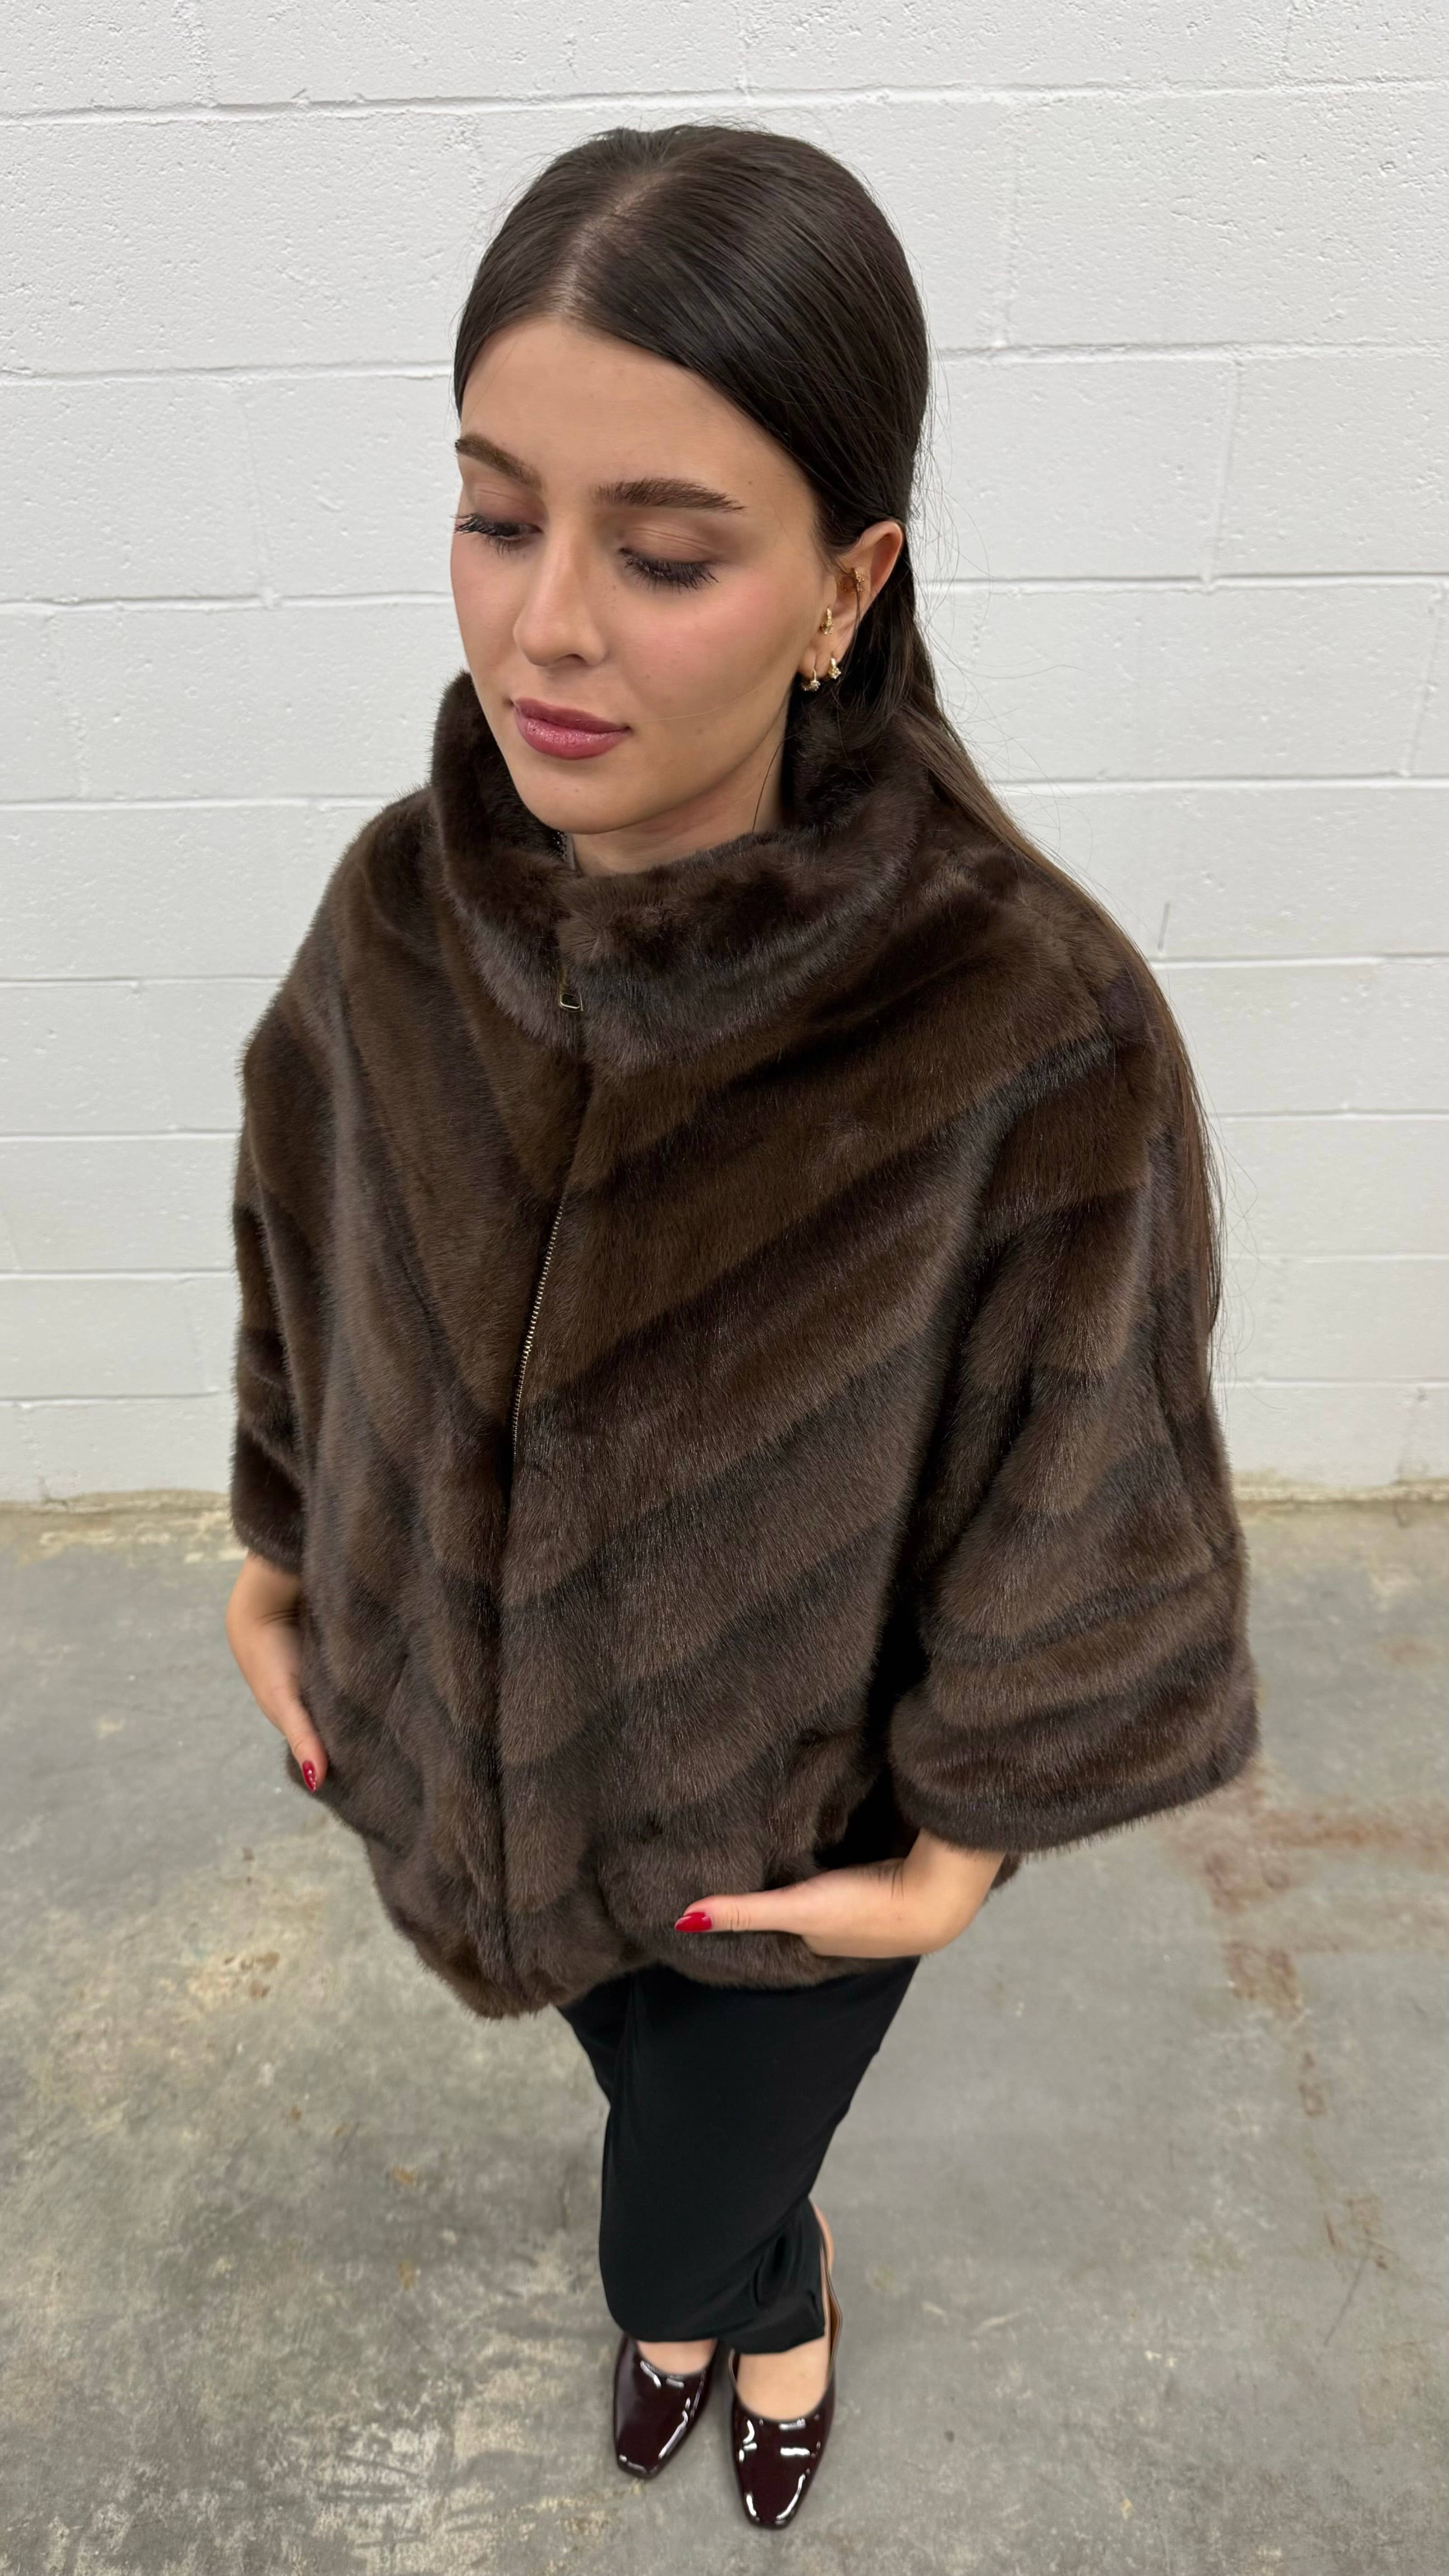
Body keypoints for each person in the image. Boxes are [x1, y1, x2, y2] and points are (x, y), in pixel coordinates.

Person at [223, 123, 1260, 2531]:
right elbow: (310, 1236)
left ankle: (748, 2303)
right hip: (472, 1764)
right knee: (651, 2124)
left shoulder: (1023, 1033)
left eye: (666, 552)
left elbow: (1086, 1492)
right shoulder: (405, 913)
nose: (545, 627)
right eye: (497, 515)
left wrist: (962, 1851)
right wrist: (287, 1546)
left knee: (669, 2223)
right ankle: (748, 2278)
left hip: (788, 1857)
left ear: (844, 584)